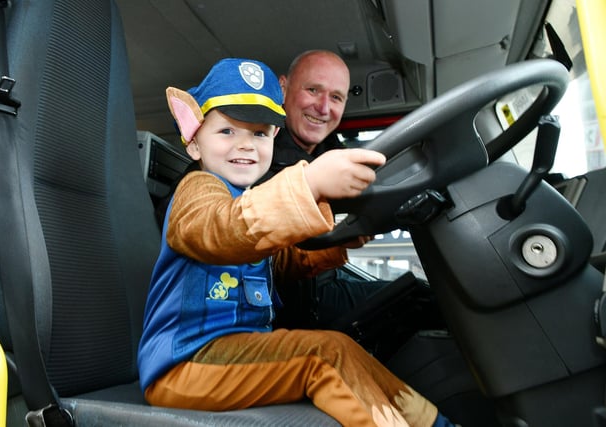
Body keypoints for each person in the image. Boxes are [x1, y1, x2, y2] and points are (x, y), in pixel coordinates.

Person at [138, 58, 454, 427]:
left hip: (236, 351)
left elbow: (280, 261)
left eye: (259, 134)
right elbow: (220, 232)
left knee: (343, 347)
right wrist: (307, 184)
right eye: (227, 132)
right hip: (184, 364)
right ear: (194, 142)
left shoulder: (245, 197)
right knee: (324, 355)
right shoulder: (198, 189)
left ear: (273, 137)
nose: (246, 145)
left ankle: (435, 424)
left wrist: (341, 240)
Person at [258, 50, 439, 333]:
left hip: (326, 283)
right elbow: (264, 256)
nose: (323, 108)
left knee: (425, 294)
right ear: (282, 88)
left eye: (336, 97)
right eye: (313, 90)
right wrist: (339, 240)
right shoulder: (255, 155)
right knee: (423, 302)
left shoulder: (331, 150)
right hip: (293, 309)